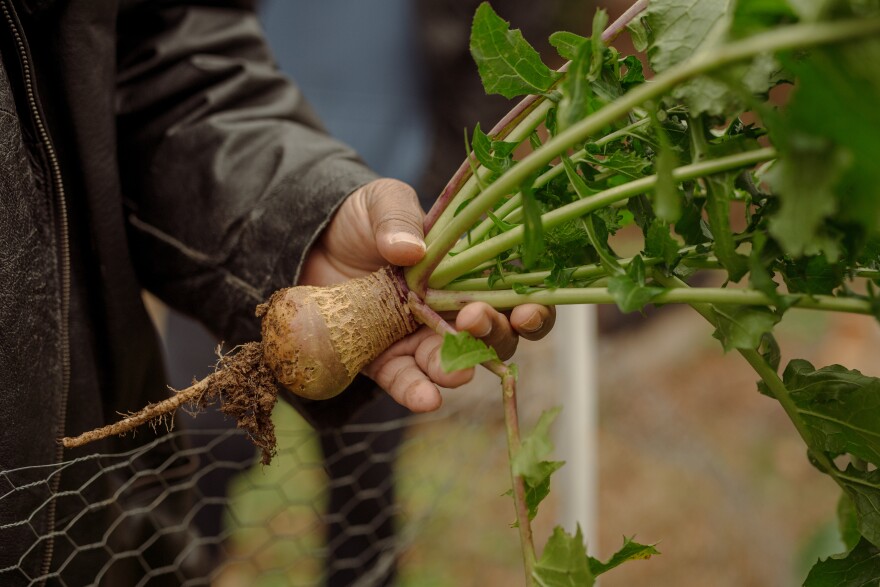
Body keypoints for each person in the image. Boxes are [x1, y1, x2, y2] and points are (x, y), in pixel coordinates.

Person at [0, 1, 554, 585]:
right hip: (256, 263)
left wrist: (313, 214)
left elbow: (166, 69)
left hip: (345, 228)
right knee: (206, 450)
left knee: (366, 485)